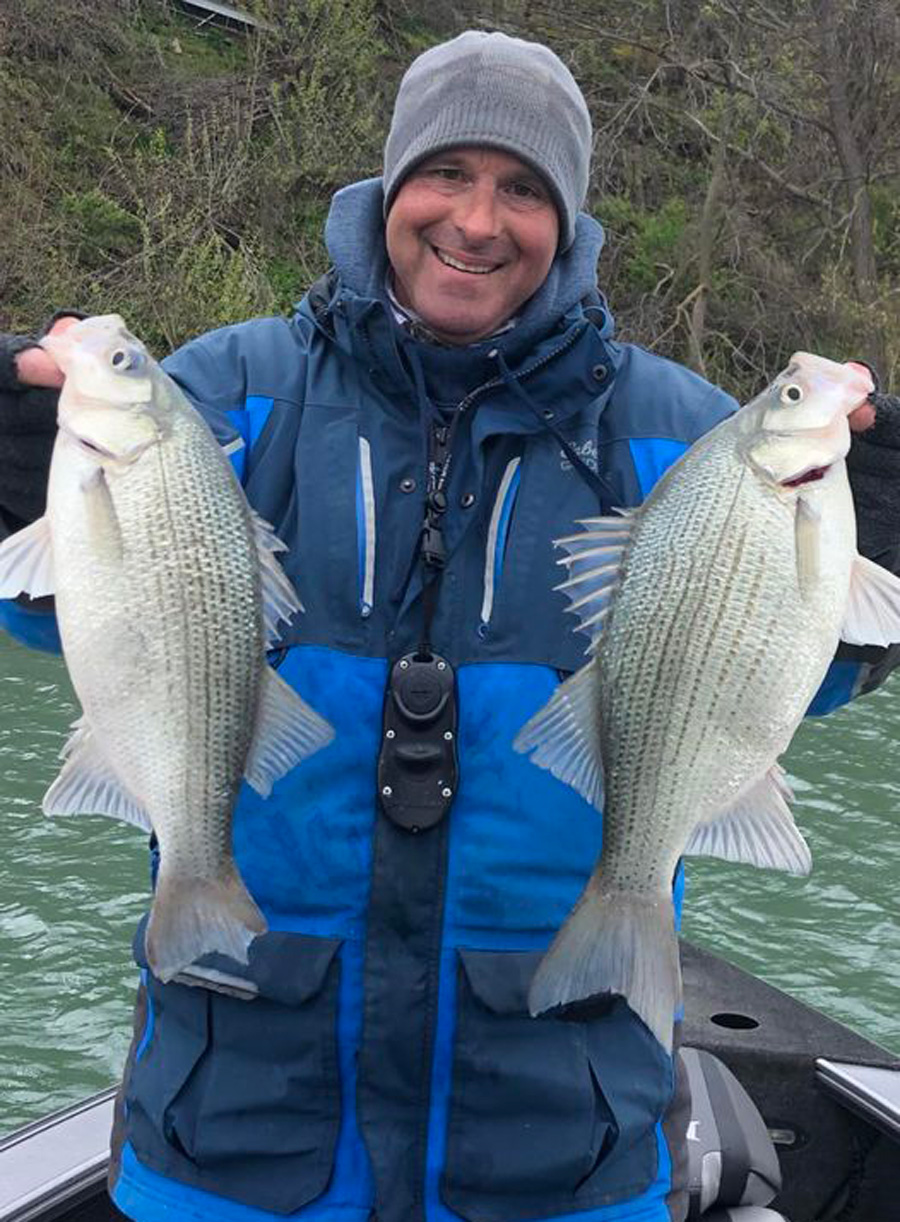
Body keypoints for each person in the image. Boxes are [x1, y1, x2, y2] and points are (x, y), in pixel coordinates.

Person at [2, 29, 899, 1222]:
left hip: (559, 1144)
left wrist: (868, 543)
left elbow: (815, 679)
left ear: (567, 222)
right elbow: (64, 622)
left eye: (523, 188)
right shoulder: (223, 394)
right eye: (448, 175)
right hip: (231, 1129)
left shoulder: (692, 434)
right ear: (389, 188)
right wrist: (23, 468)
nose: (477, 221)